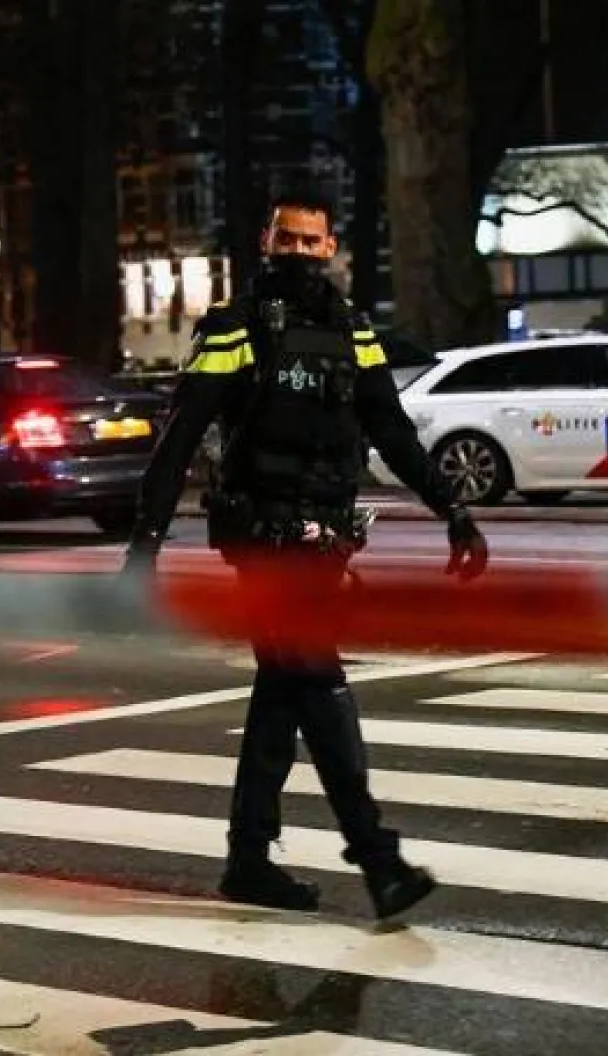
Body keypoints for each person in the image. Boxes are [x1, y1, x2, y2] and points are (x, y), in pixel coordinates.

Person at [122, 188, 489, 919]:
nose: (297, 252)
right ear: (266, 242)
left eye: (310, 241)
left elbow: (391, 432)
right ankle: (378, 858)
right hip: (263, 541)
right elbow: (180, 437)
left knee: (282, 696)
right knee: (317, 681)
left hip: (324, 539)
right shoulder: (237, 327)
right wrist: (147, 544)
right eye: (285, 239)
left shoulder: (352, 332)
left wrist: (454, 508)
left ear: (331, 249)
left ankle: (247, 860)